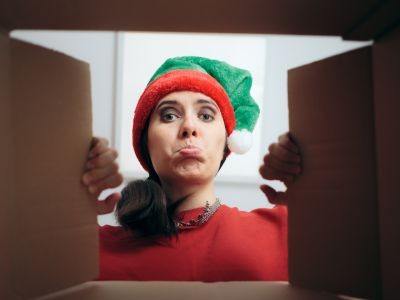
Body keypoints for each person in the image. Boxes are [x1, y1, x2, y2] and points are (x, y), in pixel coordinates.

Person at [82, 56, 302, 282]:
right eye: (169, 115)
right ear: (145, 141)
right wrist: (70, 208)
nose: (189, 127)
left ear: (226, 142)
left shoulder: (286, 230)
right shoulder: (87, 250)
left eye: (206, 115)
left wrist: (313, 197)